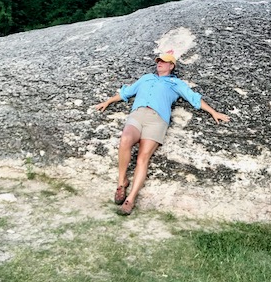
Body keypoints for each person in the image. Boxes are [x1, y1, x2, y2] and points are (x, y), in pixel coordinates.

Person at [96, 51, 230, 215]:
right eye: (158, 60)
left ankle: (130, 199)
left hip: (157, 120)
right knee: (125, 140)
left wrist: (213, 112)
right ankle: (121, 181)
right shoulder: (146, 78)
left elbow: (193, 98)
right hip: (138, 114)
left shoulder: (176, 83)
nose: (159, 63)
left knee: (143, 157)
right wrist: (108, 101)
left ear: (171, 66)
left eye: (164, 61)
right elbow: (127, 92)